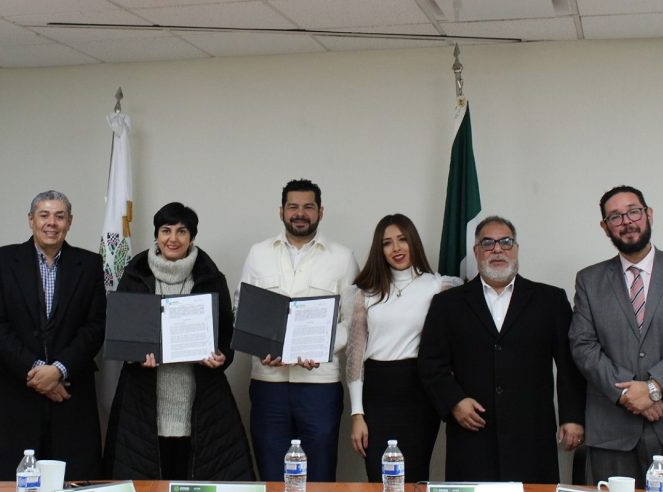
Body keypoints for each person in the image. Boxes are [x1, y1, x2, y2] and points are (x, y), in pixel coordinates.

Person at [569, 185, 663, 483]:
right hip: (614, 431)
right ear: (605, 227)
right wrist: (629, 394)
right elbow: (583, 346)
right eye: (615, 216)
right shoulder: (589, 280)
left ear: (649, 214)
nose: (626, 221)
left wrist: (654, 388)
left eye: (633, 212)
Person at [418, 215, 585, 482]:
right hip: (472, 435)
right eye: (488, 243)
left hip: (532, 435)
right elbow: (430, 362)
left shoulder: (550, 300)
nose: (497, 249)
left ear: (516, 249)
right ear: (476, 252)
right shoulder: (447, 304)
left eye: (505, 242)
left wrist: (572, 417)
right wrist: (454, 401)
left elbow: (569, 364)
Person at [102, 202, 254, 480]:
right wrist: (134, 356)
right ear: (156, 235)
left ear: (192, 237)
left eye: (182, 231)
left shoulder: (210, 277)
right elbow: (120, 330)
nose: (173, 238)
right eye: (166, 230)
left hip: (200, 399)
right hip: (143, 399)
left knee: (192, 476)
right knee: (146, 475)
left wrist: (222, 356)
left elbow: (226, 333)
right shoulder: (135, 275)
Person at [0, 190, 107, 480]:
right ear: (31, 220)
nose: (52, 223)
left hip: (70, 393)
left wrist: (58, 370)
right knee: (9, 479)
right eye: (44, 215)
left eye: (60, 216)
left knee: (73, 480)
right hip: (14, 393)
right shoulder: (1, 260)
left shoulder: (89, 264)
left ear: (69, 222)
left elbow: (96, 326)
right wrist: (37, 371)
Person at [236, 179, 359, 481]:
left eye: (308, 207)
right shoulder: (258, 253)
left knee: (319, 475)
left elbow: (352, 322)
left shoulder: (342, 257)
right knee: (272, 475)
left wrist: (319, 348)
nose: (300, 213)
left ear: (320, 212)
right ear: (281, 212)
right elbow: (242, 310)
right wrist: (262, 347)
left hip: (319, 385)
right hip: (268, 382)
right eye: (293, 207)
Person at [346, 214, 460, 482]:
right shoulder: (365, 292)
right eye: (387, 243)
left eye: (402, 240)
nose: (396, 248)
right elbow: (355, 357)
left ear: (413, 242)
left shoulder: (437, 286)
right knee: (379, 477)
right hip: (376, 393)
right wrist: (357, 413)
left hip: (418, 393)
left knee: (414, 475)